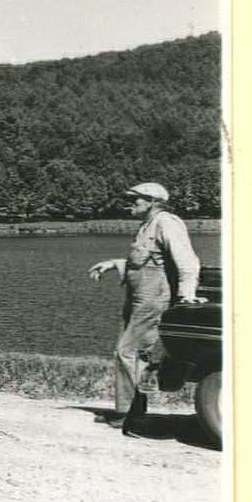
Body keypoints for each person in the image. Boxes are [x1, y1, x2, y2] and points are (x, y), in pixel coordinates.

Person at [86, 180, 204, 438]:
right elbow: (145, 262)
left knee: (128, 352)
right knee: (133, 353)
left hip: (152, 299)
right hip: (139, 297)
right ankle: (129, 413)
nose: (131, 204)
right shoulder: (147, 226)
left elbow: (188, 262)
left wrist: (186, 295)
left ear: (153, 202)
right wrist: (114, 264)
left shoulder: (167, 223)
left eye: (135, 199)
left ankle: (132, 417)